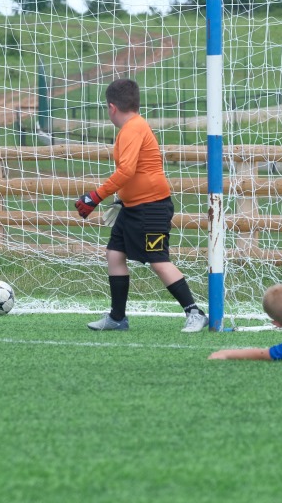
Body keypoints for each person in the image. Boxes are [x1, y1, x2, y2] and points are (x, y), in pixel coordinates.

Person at [75, 78, 207, 333]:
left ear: (112, 107)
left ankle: (195, 312)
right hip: (133, 208)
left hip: (151, 209)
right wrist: (122, 199)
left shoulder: (132, 129)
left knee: (158, 260)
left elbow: (126, 171)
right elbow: (132, 174)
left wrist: (95, 197)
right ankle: (117, 317)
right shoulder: (133, 126)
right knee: (114, 255)